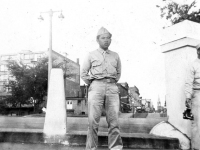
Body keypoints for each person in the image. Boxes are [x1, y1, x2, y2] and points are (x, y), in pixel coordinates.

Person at [81, 27, 123, 150]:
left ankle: (115, 148)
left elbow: (118, 73)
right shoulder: (91, 55)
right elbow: (84, 73)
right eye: (103, 38)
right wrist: (94, 83)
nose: (106, 40)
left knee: (114, 121)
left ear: (111, 40)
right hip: (96, 87)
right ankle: (91, 148)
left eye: (108, 38)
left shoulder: (115, 55)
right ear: (97, 40)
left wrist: (111, 82)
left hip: (112, 87)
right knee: (93, 122)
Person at [185, 43, 200, 150]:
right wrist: (188, 97)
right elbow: (188, 83)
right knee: (196, 124)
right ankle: (196, 148)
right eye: (199, 50)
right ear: (197, 51)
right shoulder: (193, 65)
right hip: (197, 95)